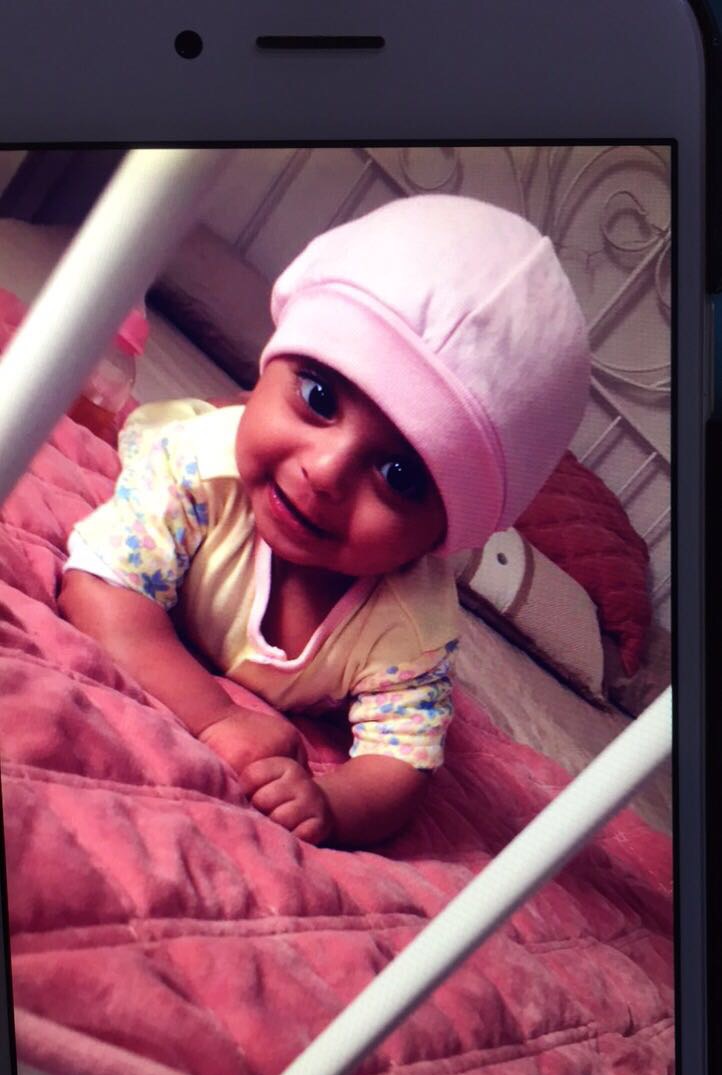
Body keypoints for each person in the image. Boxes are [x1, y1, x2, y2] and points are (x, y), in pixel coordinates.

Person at [58, 194, 590, 849]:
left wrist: (331, 803)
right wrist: (218, 717)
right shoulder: (200, 470)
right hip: (194, 443)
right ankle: (230, 407)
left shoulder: (414, 628)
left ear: (443, 535)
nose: (326, 472)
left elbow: (401, 766)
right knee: (177, 428)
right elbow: (100, 586)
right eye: (318, 396)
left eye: (400, 474)